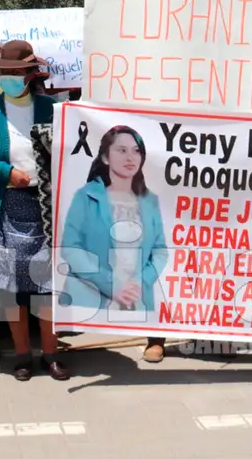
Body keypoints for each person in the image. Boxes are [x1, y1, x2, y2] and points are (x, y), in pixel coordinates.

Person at [0, 40, 69, 382]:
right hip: (6, 207)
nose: (9, 77)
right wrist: (6, 173)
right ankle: (23, 354)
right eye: (4, 72)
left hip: (44, 207)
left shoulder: (51, 109)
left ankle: (50, 352)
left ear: (29, 74)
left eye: (16, 72)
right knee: (14, 286)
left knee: (47, 283)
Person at [59, 125, 169, 363]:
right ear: (106, 157)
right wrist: (110, 284)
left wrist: (142, 282)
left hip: (138, 291)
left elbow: (160, 251)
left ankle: (156, 338)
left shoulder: (150, 200)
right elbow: (71, 247)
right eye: (121, 150)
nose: (131, 157)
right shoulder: (85, 196)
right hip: (95, 287)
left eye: (136, 151)